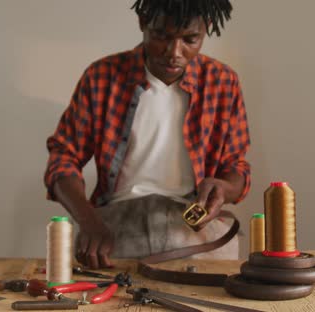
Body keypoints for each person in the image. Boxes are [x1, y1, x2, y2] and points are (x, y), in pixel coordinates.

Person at [43, 0, 251, 269]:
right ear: (143, 22)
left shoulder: (222, 81)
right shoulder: (102, 77)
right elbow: (62, 159)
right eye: (161, 36)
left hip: (195, 231)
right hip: (114, 231)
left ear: (207, 29)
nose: (174, 52)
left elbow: (236, 167)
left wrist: (224, 188)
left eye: (190, 39)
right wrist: (88, 221)